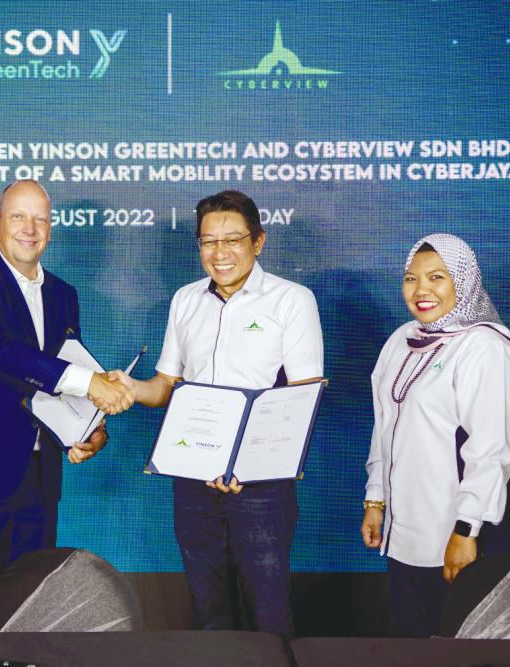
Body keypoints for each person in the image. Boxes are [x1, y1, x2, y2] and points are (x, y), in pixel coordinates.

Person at [109, 190, 323, 641]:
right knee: (210, 613)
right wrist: (130, 388)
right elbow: (165, 386)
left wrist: (244, 464)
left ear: (258, 241)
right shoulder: (185, 300)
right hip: (193, 478)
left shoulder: (291, 300)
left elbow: (301, 397)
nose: (219, 253)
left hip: (260, 484)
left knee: (269, 614)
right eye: (208, 242)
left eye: (233, 240)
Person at [0, 179, 134, 631]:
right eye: (18, 216)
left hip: (40, 483)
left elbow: (61, 377)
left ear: (52, 228)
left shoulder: (64, 294)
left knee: (27, 611)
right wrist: (90, 383)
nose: (29, 228)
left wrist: (88, 431)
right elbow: (3, 353)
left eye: (40, 218)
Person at [361, 233, 510, 637]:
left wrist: (466, 531)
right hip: (409, 527)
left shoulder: (484, 348)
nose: (421, 290)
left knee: (468, 644)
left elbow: (492, 451)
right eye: (411, 278)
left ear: (464, 280)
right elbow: (384, 425)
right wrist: (376, 498)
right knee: (414, 639)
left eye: (437, 277)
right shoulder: (400, 341)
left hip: (469, 528)